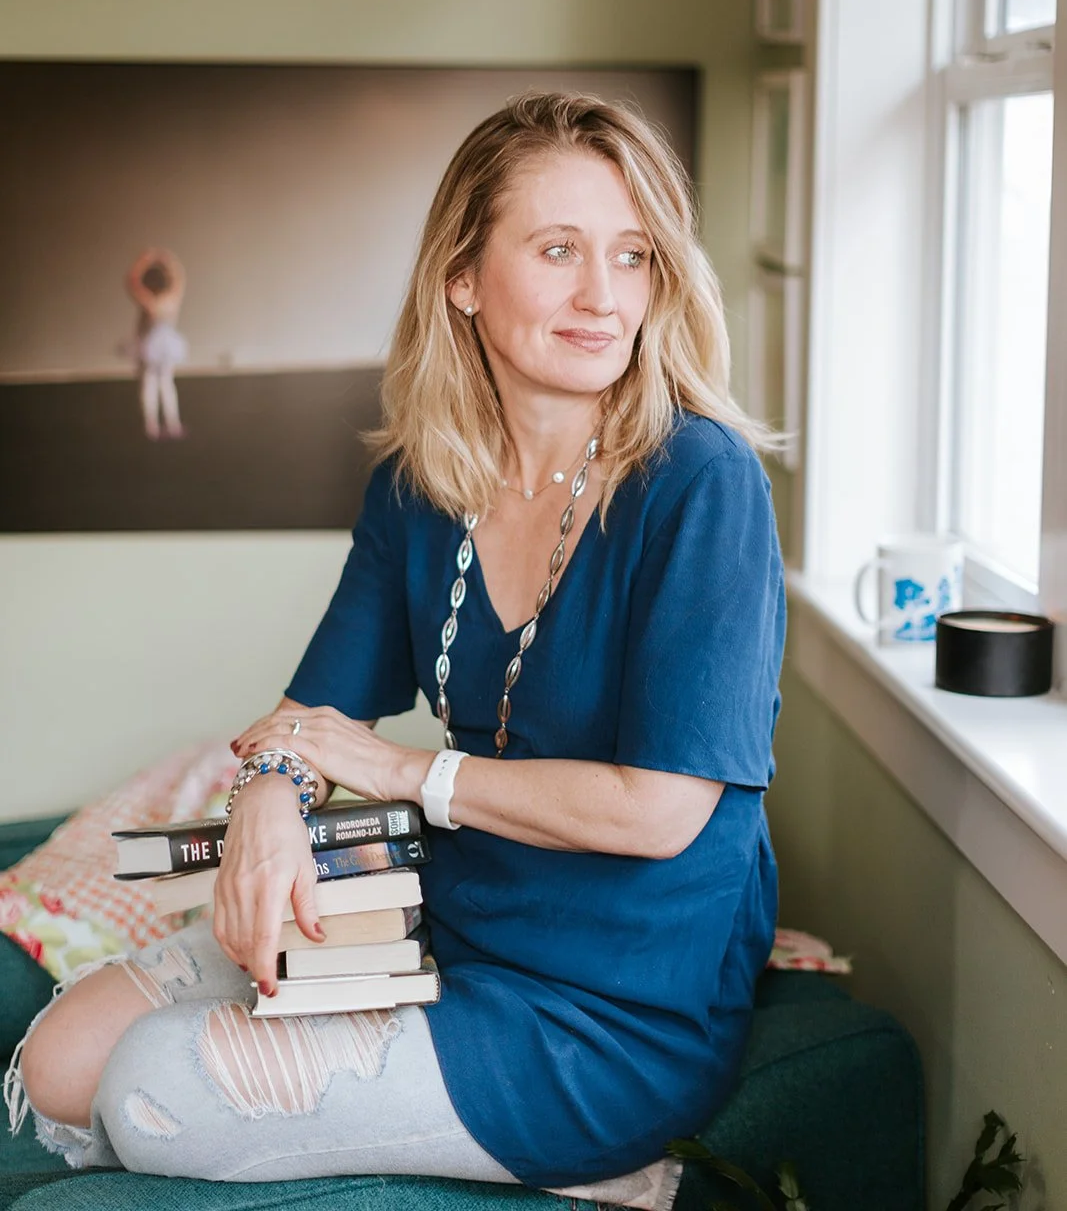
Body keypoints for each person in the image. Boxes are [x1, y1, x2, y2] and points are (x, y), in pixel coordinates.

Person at [13, 93, 787, 1189]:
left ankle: (607, 1171)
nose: (600, 296)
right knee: (59, 1059)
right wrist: (269, 811)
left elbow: (659, 810)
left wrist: (396, 771)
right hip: (442, 911)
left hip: (608, 1000)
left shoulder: (701, 482)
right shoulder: (419, 486)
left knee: (152, 1087)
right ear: (462, 278)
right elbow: (307, 714)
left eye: (631, 255)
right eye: (558, 249)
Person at [124, 247, 189, 440]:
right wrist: (169, 261)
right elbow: (180, 280)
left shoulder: (150, 302)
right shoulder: (172, 300)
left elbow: (132, 283)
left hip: (152, 345)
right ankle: (172, 424)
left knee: (149, 382)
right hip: (167, 346)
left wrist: (144, 260)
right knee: (166, 383)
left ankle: (151, 426)